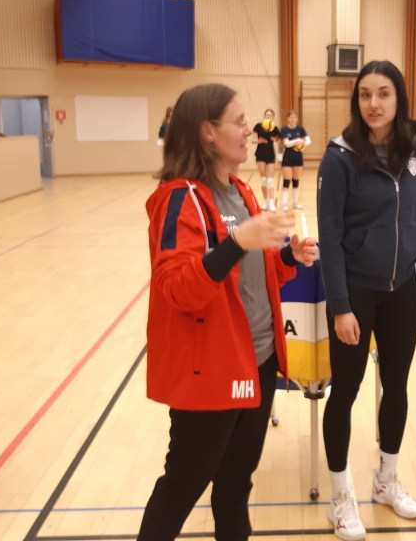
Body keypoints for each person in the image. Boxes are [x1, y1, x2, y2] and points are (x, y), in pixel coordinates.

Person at [139, 83, 319, 541]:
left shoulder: (240, 190)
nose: (249, 132)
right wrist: (239, 242)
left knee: (237, 486)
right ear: (207, 132)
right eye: (239, 123)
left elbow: (253, 273)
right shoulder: (178, 199)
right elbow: (177, 288)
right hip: (212, 369)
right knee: (181, 487)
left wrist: (287, 257)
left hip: (259, 361)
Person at [316, 60, 416, 541]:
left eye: (383, 93)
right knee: (344, 392)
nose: (373, 103)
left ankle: (387, 480)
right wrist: (341, 305)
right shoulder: (339, 157)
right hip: (356, 293)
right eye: (365, 94)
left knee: (396, 386)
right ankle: (341, 497)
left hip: (401, 287)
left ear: (398, 97)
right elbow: (330, 237)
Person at [278, 110, 310, 211]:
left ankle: (295, 203)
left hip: (298, 157)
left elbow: (308, 141)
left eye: (295, 117)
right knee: (286, 181)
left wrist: (302, 142)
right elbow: (286, 144)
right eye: (291, 117)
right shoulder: (284, 130)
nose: (293, 119)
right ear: (288, 118)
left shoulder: (300, 129)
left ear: (297, 119)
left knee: (296, 181)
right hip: (287, 157)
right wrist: (298, 140)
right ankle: (284, 204)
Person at [252, 108, 281, 212]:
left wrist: (276, 140)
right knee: (264, 180)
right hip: (260, 154)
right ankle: (266, 203)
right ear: (264, 116)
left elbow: (279, 140)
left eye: (270, 115)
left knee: (270, 180)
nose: (268, 116)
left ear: (273, 117)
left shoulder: (275, 128)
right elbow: (253, 140)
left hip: (270, 154)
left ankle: (272, 204)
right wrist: (258, 141)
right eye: (267, 115)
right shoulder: (258, 126)